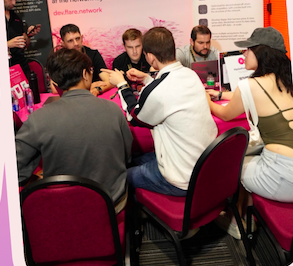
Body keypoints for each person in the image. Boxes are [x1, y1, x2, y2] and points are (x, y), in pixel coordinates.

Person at [16, 48, 132, 211]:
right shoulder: (114, 110)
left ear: (55, 83)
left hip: (62, 209)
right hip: (112, 205)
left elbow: (16, 170)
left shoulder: (37, 119)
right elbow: (127, 156)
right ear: (85, 74)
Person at [107, 26, 217, 196]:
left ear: (150, 57)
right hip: (202, 165)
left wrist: (122, 84)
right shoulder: (191, 74)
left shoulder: (158, 90)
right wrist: (147, 78)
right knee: (132, 161)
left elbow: (134, 116)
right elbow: (167, 92)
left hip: (181, 177)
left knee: (118, 177)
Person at [209, 28, 293, 203]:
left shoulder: (250, 85)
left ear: (261, 53)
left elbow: (225, 114)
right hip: (286, 167)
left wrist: (206, 100)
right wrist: (220, 95)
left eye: (249, 49)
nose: (244, 54)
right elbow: (246, 96)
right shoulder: (284, 80)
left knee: (231, 163)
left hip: (282, 174)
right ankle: (246, 212)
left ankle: (235, 216)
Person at [3, 0, 39, 77]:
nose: (14, 3)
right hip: (3, 68)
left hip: (21, 67)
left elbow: (23, 45)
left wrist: (29, 36)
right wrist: (7, 44)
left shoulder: (17, 18)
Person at [58, 24, 107, 95]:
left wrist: (97, 89)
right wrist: (88, 86)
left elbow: (107, 80)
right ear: (63, 43)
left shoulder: (93, 54)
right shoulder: (59, 58)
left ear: (82, 38)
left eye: (78, 38)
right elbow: (55, 88)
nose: (76, 43)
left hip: (93, 95)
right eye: (70, 41)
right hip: (70, 97)